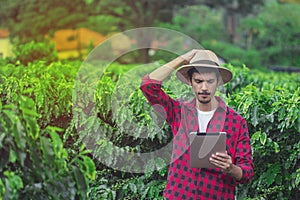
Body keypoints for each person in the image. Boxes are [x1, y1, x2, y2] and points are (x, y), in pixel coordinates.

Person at [140, 49, 254, 200]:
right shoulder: (178, 112)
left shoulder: (236, 122)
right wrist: (184, 58)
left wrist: (231, 168)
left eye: (210, 81)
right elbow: (148, 86)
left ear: (218, 82)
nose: (204, 88)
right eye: (198, 81)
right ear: (190, 81)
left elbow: (247, 172)